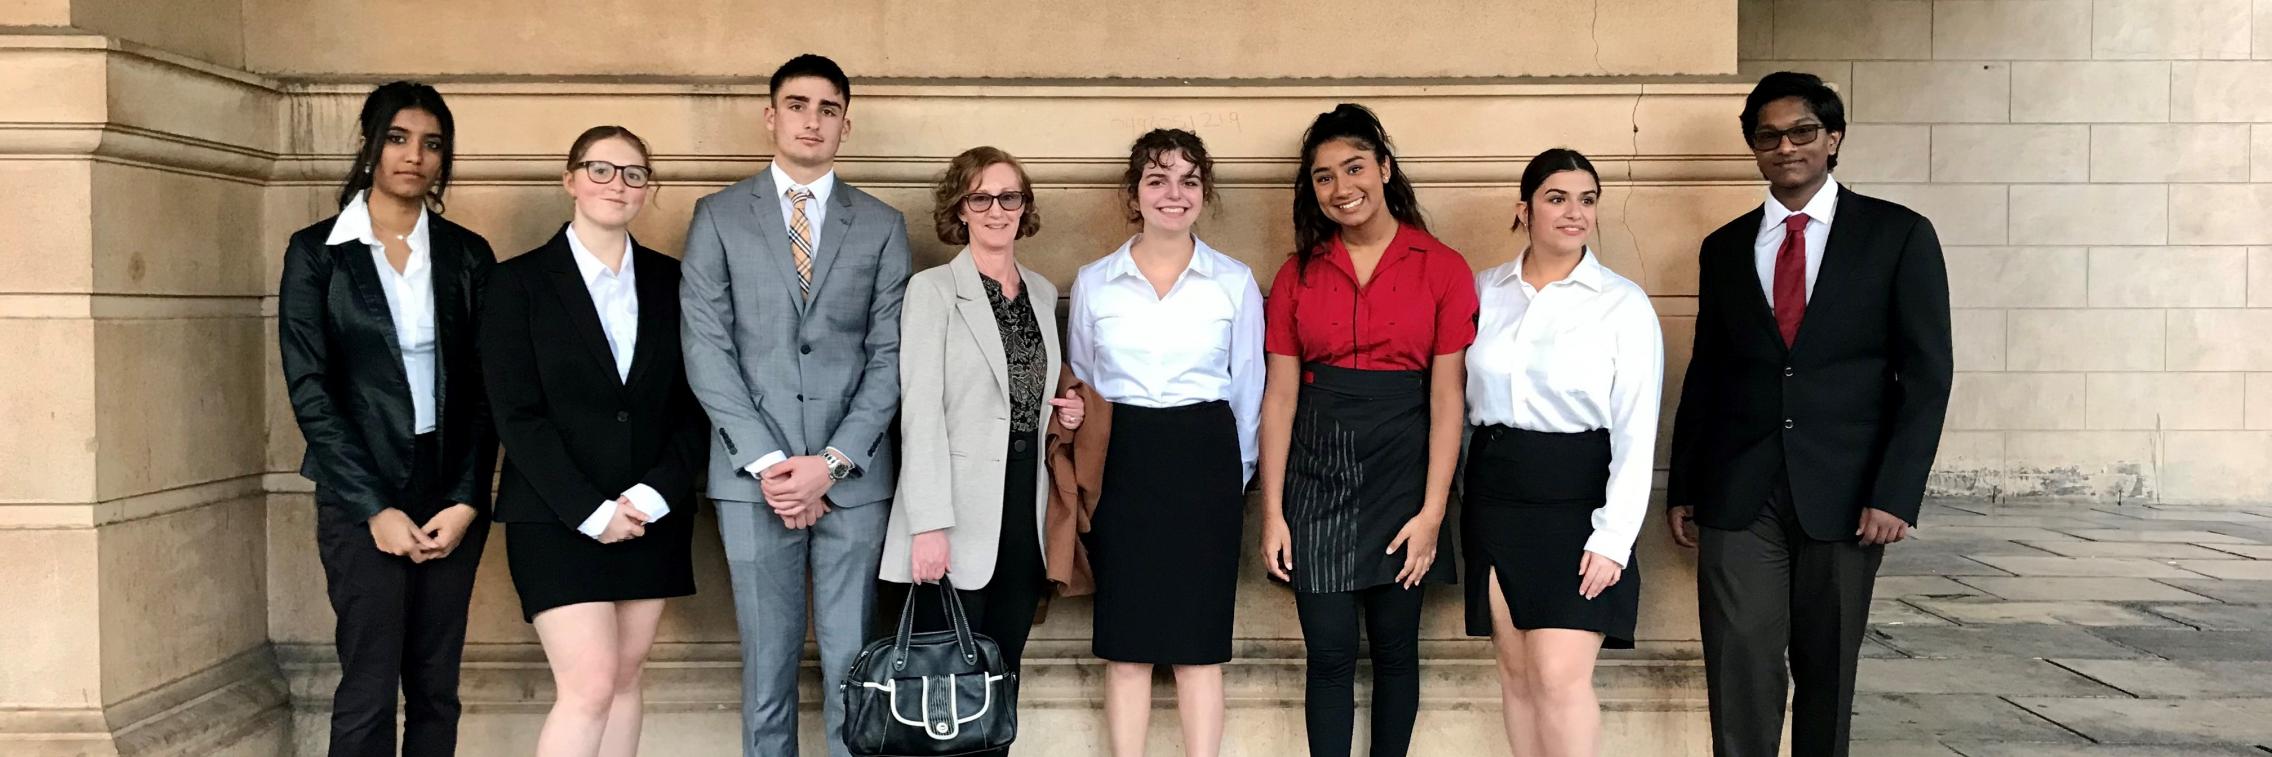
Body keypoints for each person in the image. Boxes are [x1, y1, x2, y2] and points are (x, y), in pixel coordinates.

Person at [1667, 71, 1952, 757]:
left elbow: (1927, 374)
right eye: (1768, 136)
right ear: (1755, 149)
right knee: (1739, 663)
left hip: (1849, 494)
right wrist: (1684, 485)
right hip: (1740, 491)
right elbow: (1708, 372)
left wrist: (1895, 491)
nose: (1785, 146)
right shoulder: (1726, 247)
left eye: (1801, 132)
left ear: (1833, 140)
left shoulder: (1898, 235)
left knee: (1828, 671)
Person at [679, 54, 912, 757]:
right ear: (770, 115)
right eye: (799, 104)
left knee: (855, 673)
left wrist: (833, 463)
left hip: (856, 484)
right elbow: (706, 350)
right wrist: (777, 466)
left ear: (846, 123)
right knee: (766, 676)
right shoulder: (717, 216)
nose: (813, 119)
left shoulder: (881, 224)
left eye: (829, 108)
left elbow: (890, 354)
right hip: (756, 486)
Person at [277, 80, 496, 757]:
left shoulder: (467, 255)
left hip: (447, 485)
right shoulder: (317, 253)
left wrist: (466, 498)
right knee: (369, 686)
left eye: (432, 144)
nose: (415, 156)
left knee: (436, 688)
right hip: (357, 490)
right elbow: (310, 389)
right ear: (370, 145)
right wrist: (374, 506)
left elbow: (489, 391)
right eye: (398, 138)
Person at [1257, 103, 1477, 757]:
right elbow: (1279, 397)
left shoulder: (1442, 266)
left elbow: (1447, 397)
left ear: (1384, 167)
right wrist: (1272, 511)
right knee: (1326, 653)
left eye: (1353, 167)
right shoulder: (1296, 274)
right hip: (1315, 471)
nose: (1341, 187)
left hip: (1405, 472)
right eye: (1323, 176)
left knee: (1394, 650)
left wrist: (1434, 510)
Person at [481, 126, 707, 757]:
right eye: (602, 169)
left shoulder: (676, 283)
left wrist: (655, 496)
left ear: (648, 190)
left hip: (650, 515)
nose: (618, 185)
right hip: (556, 516)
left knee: (627, 681)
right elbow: (516, 415)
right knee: (588, 687)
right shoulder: (516, 284)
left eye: (634, 174)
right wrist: (592, 511)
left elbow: (697, 406)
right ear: (571, 180)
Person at [1065, 129, 1264, 757]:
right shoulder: (1095, 282)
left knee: (1198, 648)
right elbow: (1085, 387)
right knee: (1126, 646)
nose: (1173, 194)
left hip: (1204, 459)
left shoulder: (1234, 282)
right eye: (1157, 179)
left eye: (1188, 180)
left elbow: (1248, 392)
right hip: (1122, 462)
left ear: (1203, 193)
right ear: (1134, 194)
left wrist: (1230, 479)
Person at [880, 146, 1084, 756]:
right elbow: (919, 412)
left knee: (1001, 677)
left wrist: (1064, 405)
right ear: (960, 208)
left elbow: (1031, 382)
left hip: (1026, 503)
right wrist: (929, 525)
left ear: (1025, 207)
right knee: (943, 689)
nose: (997, 209)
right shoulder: (933, 291)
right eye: (981, 197)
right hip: (956, 511)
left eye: (1010, 196)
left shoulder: (1043, 293)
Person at [1464, 148, 1662, 757]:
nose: (1575, 212)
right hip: (1496, 493)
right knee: (1519, 676)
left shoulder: (1621, 303)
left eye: (1587, 199)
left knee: (1559, 676)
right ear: (1523, 209)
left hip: (1578, 500)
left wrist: (1614, 537)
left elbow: (1637, 429)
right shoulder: (1483, 290)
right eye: (1557, 198)